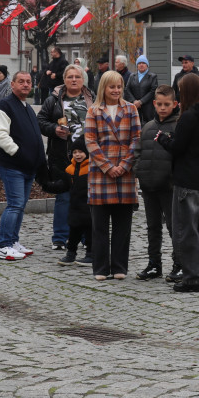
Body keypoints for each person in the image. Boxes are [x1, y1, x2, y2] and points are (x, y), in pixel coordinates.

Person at [156, 73, 199, 292]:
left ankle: (192, 278)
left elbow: (178, 147)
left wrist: (163, 138)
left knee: (187, 230)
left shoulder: (189, 117)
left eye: (181, 90)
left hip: (188, 180)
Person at [84, 70, 141, 280]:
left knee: (122, 225)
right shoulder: (94, 111)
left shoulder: (131, 109)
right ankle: (100, 268)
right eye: (112, 87)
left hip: (125, 173)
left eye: (119, 86)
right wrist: (108, 166)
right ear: (104, 88)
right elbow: (90, 141)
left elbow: (137, 139)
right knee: (99, 226)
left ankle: (119, 267)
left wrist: (124, 165)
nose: (116, 90)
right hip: (101, 174)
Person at [39, 64, 94, 251]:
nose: (73, 80)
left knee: (87, 197)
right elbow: (41, 121)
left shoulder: (91, 98)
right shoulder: (53, 100)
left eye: (77, 77)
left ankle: (87, 238)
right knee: (64, 196)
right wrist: (53, 129)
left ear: (82, 80)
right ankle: (60, 238)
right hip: (62, 154)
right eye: (70, 77)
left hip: (87, 156)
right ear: (64, 80)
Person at [0, 71, 45, 260]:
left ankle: (13, 241)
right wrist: (19, 153)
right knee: (14, 205)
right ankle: (4, 245)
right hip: (12, 165)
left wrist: (38, 159)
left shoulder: (27, 107)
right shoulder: (4, 105)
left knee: (20, 206)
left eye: (28, 82)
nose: (25, 85)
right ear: (12, 84)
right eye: (21, 81)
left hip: (28, 167)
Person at [133, 85, 179, 281]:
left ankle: (179, 264)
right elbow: (138, 152)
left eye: (166, 104)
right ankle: (154, 263)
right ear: (153, 104)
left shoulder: (178, 126)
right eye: (159, 104)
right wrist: (139, 171)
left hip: (169, 187)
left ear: (174, 104)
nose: (162, 108)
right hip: (149, 186)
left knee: (173, 226)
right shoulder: (148, 127)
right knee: (152, 227)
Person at [55, 139, 93, 267]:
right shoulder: (69, 169)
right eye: (75, 152)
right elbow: (63, 186)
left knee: (90, 232)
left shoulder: (91, 168)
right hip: (75, 207)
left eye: (81, 152)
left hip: (89, 206)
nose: (77, 155)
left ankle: (91, 254)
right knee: (74, 232)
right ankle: (71, 253)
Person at [124, 55, 158, 124]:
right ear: (137, 65)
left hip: (148, 109)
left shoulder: (152, 76)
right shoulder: (132, 76)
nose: (141, 65)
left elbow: (153, 91)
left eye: (143, 63)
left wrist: (141, 102)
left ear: (147, 65)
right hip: (134, 107)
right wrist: (134, 101)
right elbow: (127, 89)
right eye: (139, 63)